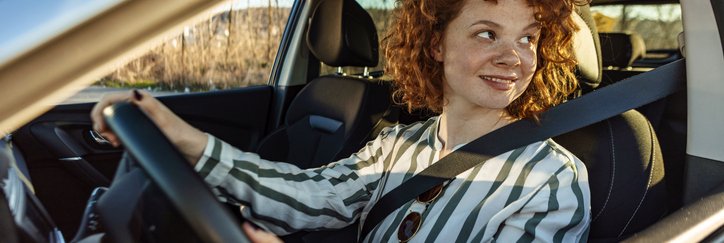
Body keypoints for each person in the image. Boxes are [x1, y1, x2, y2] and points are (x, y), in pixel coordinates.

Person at [91, 0, 591, 242]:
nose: (514, 58)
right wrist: (188, 142)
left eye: (528, 38)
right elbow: (310, 195)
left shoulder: (550, 181)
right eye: (487, 34)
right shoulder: (398, 144)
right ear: (435, 44)